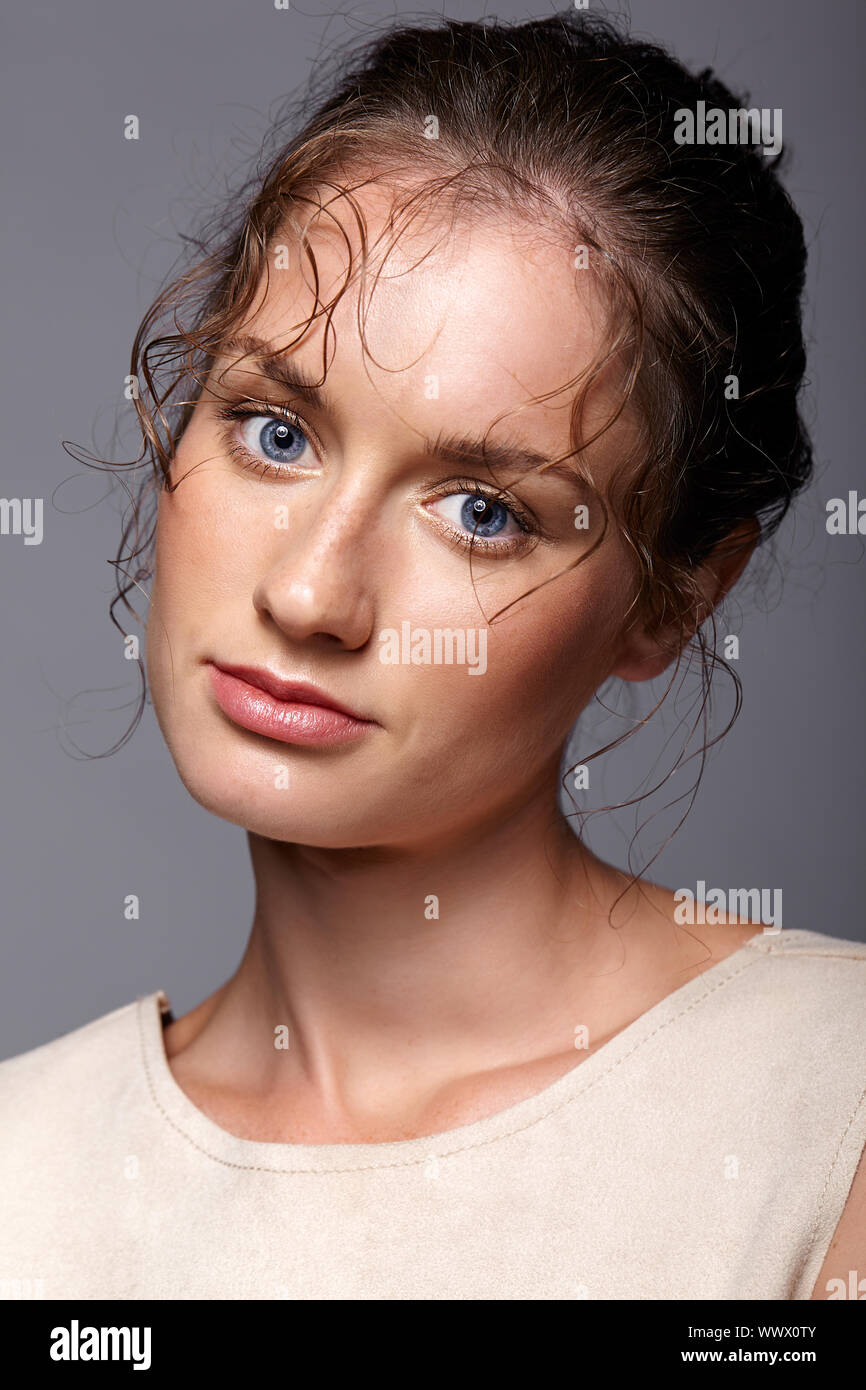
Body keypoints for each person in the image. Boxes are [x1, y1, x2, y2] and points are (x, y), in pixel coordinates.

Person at [1, 10, 863, 1301]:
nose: (308, 593)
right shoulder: (26, 1168)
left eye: (482, 511)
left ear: (672, 600)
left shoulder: (827, 1109)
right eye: (274, 431)